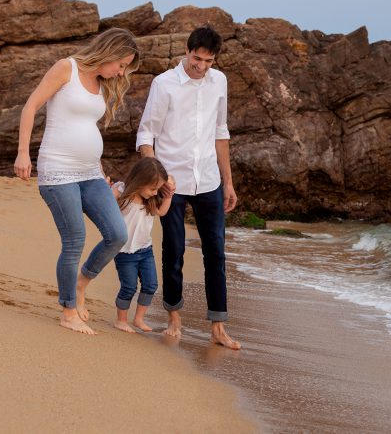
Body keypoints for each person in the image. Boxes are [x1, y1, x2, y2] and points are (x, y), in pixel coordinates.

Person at [13, 28, 139, 334]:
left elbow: (85, 127)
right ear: (108, 52)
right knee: (74, 241)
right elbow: (31, 106)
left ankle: (81, 283)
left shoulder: (101, 83)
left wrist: (98, 169)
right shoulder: (65, 68)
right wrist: (22, 154)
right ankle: (68, 310)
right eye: (120, 64)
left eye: (124, 67)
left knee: (118, 234)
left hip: (91, 173)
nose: (120, 72)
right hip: (57, 170)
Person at [136, 25, 241, 350]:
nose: (202, 66)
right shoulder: (164, 83)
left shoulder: (219, 81)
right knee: (174, 251)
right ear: (187, 50)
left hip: (208, 179)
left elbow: (220, 131)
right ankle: (174, 319)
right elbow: (146, 134)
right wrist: (157, 179)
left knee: (216, 254)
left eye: (209, 61)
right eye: (197, 59)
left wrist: (228, 181)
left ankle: (218, 327)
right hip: (172, 181)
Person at [110, 157, 175, 333]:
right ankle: (121, 320)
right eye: (153, 188)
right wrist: (107, 187)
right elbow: (105, 203)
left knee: (151, 285)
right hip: (124, 251)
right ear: (140, 181)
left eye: (158, 189)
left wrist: (169, 194)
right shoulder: (122, 192)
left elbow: (162, 211)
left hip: (145, 249)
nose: (155, 192)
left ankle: (139, 319)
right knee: (129, 286)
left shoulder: (150, 200)